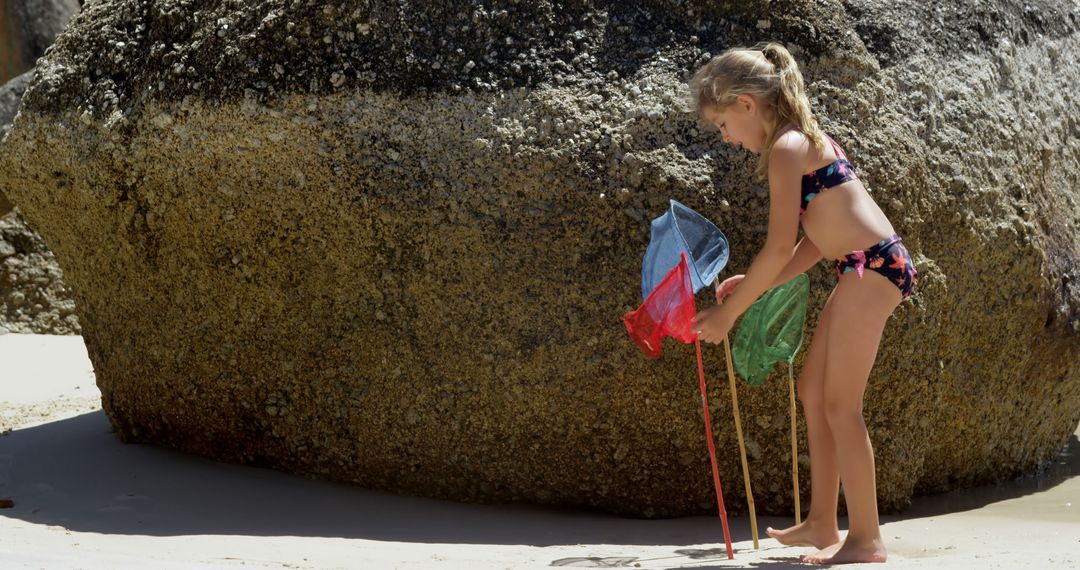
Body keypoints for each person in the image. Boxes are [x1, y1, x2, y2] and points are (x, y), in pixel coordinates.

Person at [687, 42, 917, 565]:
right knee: (812, 389)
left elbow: (775, 247)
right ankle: (820, 522)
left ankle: (865, 540)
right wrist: (758, 285)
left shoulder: (789, 147)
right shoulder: (798, 144)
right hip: (859, 266)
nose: (725, 137)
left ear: (747, 104)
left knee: (841, 406)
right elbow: (813, 241)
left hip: (874, 268)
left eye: (723, 124)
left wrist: (731, 312)